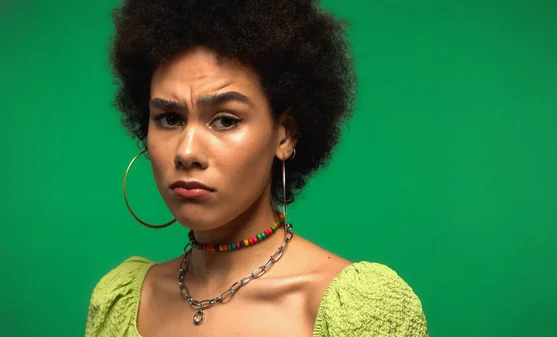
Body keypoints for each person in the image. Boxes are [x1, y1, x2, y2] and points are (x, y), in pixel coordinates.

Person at [85, 0, 428, 336]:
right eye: (169, 118)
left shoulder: (357, 313)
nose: (186, 152)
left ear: (285, 134)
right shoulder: (123, 302)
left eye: (225, 120)